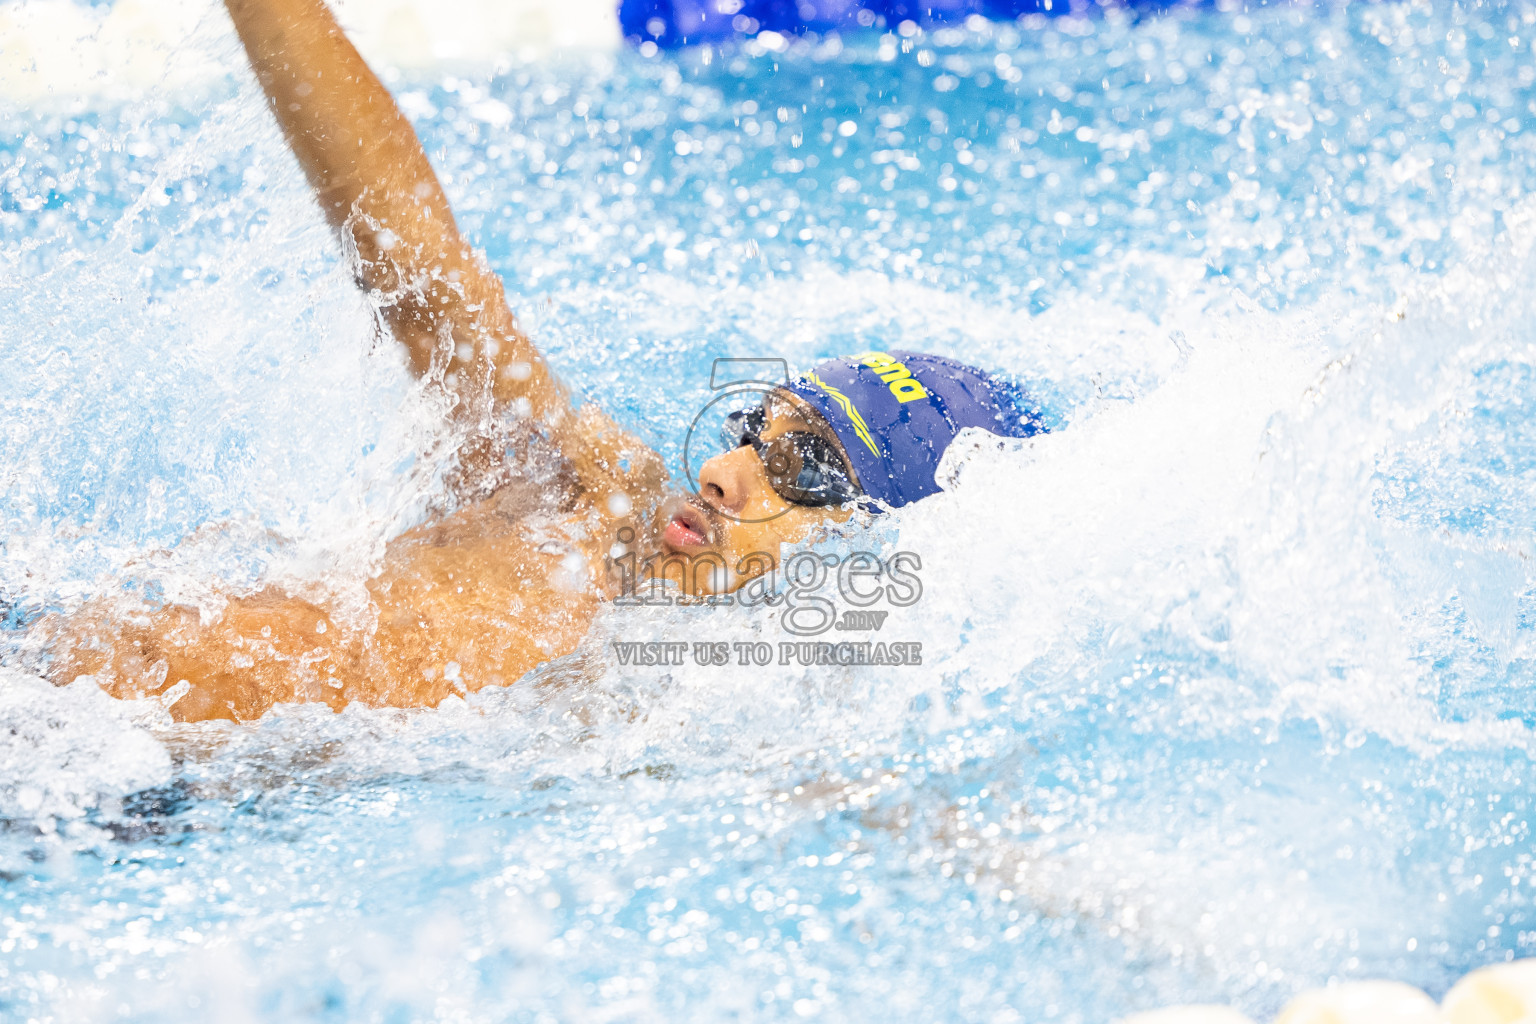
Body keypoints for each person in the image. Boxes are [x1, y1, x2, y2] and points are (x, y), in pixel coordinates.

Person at [34, 0, 1042, 723]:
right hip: (59, 722)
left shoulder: (730, 705)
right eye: (752, 433)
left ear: (875, 546)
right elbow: (425, 278)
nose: (730, 472)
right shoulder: (581, 500)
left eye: (806, 466)